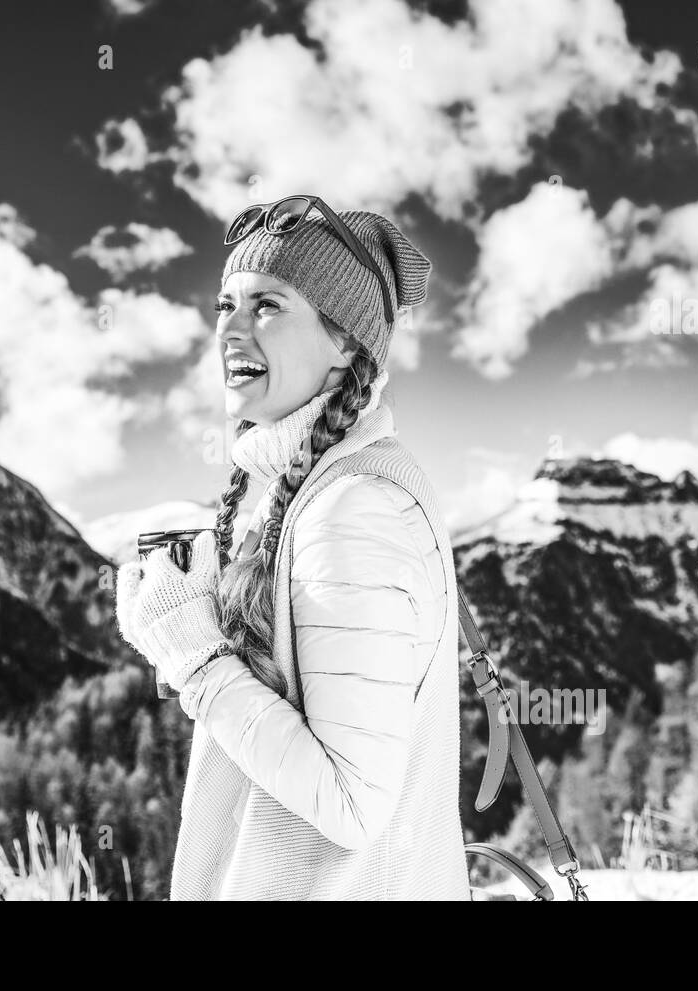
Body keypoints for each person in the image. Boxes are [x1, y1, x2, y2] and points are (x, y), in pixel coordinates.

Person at [116, 195, 471, 900]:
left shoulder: (350, 512)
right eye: (225, 305)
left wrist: (194, 653)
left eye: (268, 305)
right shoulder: (324, 487)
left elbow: (351, 799)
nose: (230, 330)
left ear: (346, 343)